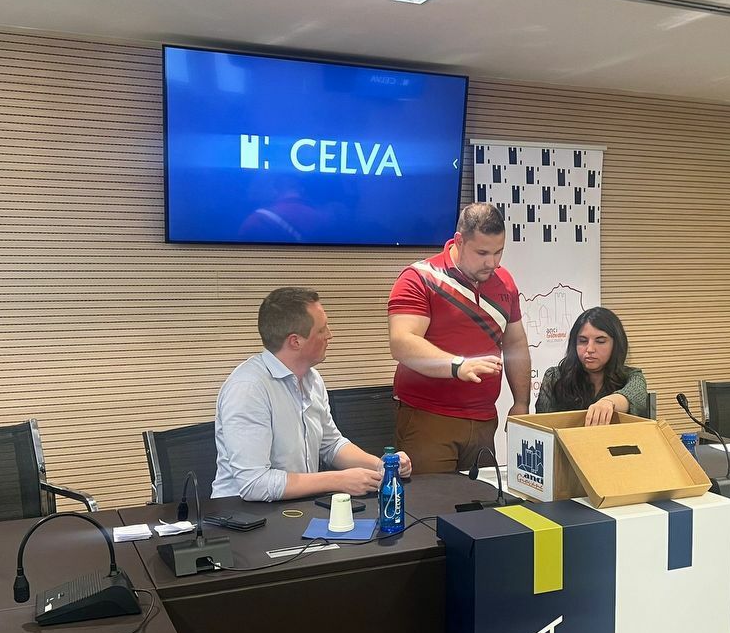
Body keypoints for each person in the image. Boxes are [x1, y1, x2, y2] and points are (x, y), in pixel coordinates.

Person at [212, 287, 411, 501]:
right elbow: (254, 484)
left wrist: (382, 466)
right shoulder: (248, 388)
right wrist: (338, 480)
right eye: (322, 330)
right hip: (243, 512)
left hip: (293, 505)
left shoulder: (312, 378)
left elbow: (331, 444)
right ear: (295, 341)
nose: (329, 335)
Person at [388, 202, 531, 473]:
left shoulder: (504, 281)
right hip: (429, 417)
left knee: (482, 498)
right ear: (459, 241)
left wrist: (521, 402)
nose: (492, 263)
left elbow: (515, 343)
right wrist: (458, 365)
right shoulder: (420, 278)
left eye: (498, 252)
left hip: (484, 419)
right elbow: (402, 343)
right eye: (482, 253)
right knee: (431, 498)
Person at [535, 307, 649, 425]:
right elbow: (542, 426)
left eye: (600, 341)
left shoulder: (631, 376)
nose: (590, 349)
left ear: (616, 344)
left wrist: (608, 402)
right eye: (583, 341)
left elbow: (635, 394)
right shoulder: (555, 377)